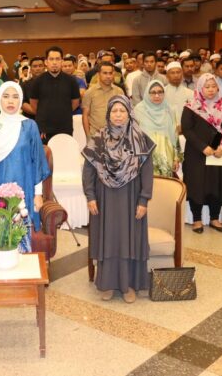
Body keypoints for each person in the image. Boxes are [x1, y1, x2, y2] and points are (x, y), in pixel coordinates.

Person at [82, 95, 154, 303]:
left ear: (129, 112)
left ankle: (128, 285)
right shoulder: (98, 138)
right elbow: (89, 170)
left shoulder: (140, 138)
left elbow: (147, 172)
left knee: (129, 238)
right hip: (104, 197)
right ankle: (108, 284)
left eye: (122, 110)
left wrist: (144, 199)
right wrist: (90, 196)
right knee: (109, 238)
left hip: (131, 197)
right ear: (108, 114)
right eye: (114, 111)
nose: (118, 115)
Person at [0, 82, 51, 253]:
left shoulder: (29, 126)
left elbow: (36, 161)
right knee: (0, 237)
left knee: (20, 233)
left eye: (15, 97)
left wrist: (38, 194)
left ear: (21, 100)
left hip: (24, 188)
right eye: (6, 96)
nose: (11, 101)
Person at [181, 73, 222, 234]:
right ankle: (197, 220)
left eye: (213, 86)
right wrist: (203, 147)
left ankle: (214, 218)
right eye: (207, 87)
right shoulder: (191, 106)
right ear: (200, 88)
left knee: (216, 183)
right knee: (197, 184)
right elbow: (187, 129)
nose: (211, 90)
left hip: (219, 152)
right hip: (197, 153)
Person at [30, 46, 81, 143]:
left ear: (62, 61)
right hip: (44, 128)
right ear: (46, 62)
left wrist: (63, 111)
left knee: (64, 155)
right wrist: (45, 113)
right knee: (45, 156)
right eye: (51, 59)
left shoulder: (71, 81)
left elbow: (75, 102)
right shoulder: (38, 81)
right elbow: (33, 103)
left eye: (57, 59)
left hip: (65, 126)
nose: (54, 62)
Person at [134, 81, 182, 177]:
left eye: (160, 92)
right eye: (153, 92)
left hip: (166, 155)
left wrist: (176, 158)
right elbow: (134, 136)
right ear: (147, 93)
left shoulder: (169, 110)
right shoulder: (138, 110)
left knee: (165, 186)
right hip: (145, 156)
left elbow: (175, 135)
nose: (157, 95)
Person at [82, 62, 124, 138]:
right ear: (98, 74)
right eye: (105, 73)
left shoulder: (119, 91)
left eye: (110, 73)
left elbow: (124, 114)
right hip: (95, 135)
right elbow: (85, 115)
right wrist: (88, 136)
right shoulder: (89, 92)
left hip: (115, 135)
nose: (108, 76)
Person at [164, 62, 194, 128]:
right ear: (167, 76)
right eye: (172, 73)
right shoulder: (162, 93)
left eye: (178, 72)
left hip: (186, 130)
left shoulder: (190, 93)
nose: (176, 75)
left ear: (182, 74)